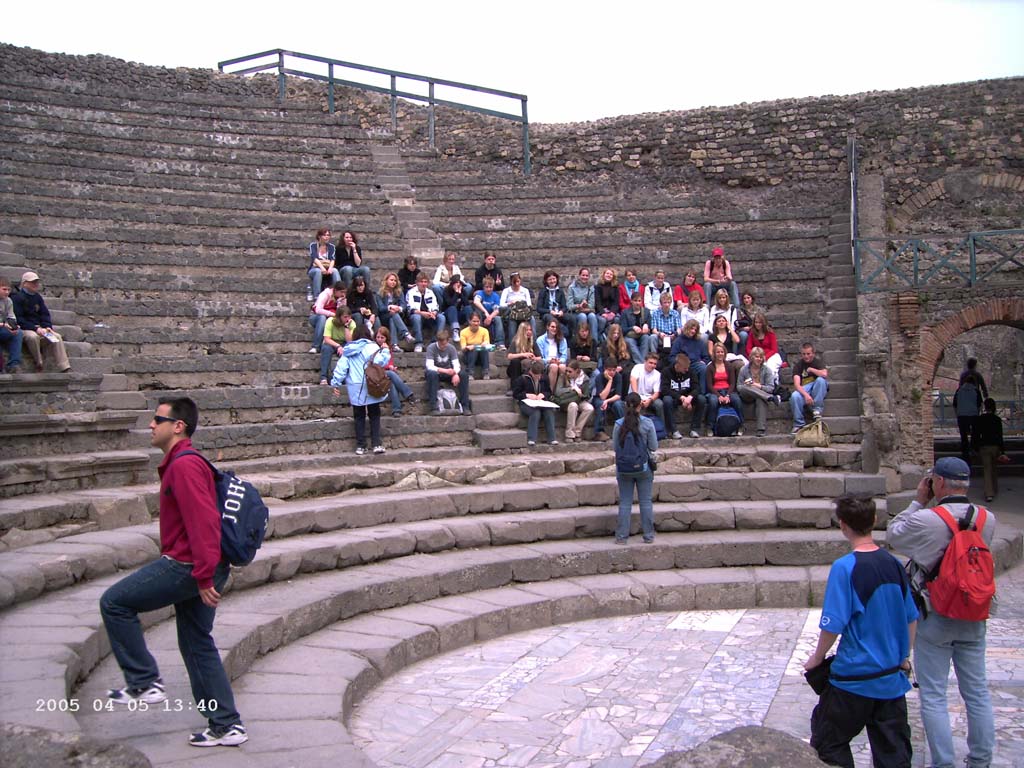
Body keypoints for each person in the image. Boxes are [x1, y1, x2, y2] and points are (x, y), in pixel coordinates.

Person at [99, 397, 247, 747]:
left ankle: (143, 681)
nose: (151, 425)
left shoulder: (184, 465)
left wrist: (204, 575)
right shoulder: (184, 463)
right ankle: (227, 724)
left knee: (115, 603)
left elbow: (204, 521)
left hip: (187, 566)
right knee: (197, 644)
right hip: (202, 565)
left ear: (177, 426)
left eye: (157, 419)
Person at [886, 457, 996, 768]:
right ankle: (980, 759)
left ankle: (944, 762)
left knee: (933, 694)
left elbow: (894, 534)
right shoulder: (989, 519)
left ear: (940, 484)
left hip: (936, 613)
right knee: (976, 690)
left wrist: (918, 501)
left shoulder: (927, 519)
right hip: (974, 612)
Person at [804, 494, 917, 768]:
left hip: (853, 678)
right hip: (890, 678)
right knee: (894, 754)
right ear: (874, 520)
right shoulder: (893, 564)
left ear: (842, 525)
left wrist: (817, 659)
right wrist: (903, 655)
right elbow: (911, 616)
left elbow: (834, 623)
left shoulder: (845, 568)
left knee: (828, 743)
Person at [331, 324, 387, 455]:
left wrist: (336, 383)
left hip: (355, 385)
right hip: (371, 383)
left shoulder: (348, 349)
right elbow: (380, 363)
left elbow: (341, 368)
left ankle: (361, 445)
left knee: (359, 415)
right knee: (374, 414)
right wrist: (385, 351)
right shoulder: (373, 347)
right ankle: (376, 444)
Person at [613, 392, 658, 544]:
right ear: (641, 405)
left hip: (624, 468)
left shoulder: (618, 424)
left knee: (625, 502)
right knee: (645, 501)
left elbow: (615, 447)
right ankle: (648, 536)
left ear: (625, 406)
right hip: (643, 467)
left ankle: (621, 537)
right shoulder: (647, 423)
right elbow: (653, 446)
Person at [12, 271, 71, 373]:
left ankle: (64, 366)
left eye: (36, 282)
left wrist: (47, 326)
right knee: (32, 337)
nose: (36, 284)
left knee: (56, 337)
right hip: (26, 328)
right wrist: (35, 328)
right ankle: (39, 362)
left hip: (39, 328)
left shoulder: (37, 297)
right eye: (32, 282)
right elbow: (19, 319)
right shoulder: (17, 298)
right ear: (25, 283)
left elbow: (44, 314)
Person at [424, 329, 472, 416]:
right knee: (431, 374)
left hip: (449, 372)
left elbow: (456, 364)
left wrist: (455, 374)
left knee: (464, 375)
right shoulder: (431, 348)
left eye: (445, 344)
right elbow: (429, 365)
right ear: (438, 341)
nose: (444, 346)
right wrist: (445, 370)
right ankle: (433, 407)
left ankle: (465, 406)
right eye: (442, 344)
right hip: (436, 372)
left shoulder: (451, 348)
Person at [660, 351, 705, 439]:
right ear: (678, 365)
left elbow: (697, 387)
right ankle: (673, 430)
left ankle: (695, 429)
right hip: (675, 398)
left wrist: (690, 397)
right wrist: (681, 398)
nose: (687, 370)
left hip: (688, 397)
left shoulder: (691, 371)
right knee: (666, 400)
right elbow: (665, 390)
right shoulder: (666, 372)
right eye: (684, 368)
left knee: (701, 399)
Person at [375, 327, 418, 418]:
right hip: (374, 373)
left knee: (391, 382)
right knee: (391, 374)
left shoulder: (387, 348)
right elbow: (376, 364)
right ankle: (408, 394)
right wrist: (388, 367)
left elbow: (389, 362)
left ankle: (396, 410)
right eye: (378, 337)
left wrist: (391, 367)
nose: (379, 340)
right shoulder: (373, 348)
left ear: (386, 338)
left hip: (384, 373)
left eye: (382, 338)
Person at [513, 360, 558, 447]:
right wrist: (527, 395)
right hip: (526, 403)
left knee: (549, 412)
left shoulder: (544, 378)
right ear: (531, 372)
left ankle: (552, 438)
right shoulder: (522, 379)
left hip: (541, 402)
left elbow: (549, 392)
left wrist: (543, 395)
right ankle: (531, 438)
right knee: (535, 413)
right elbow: (516, 394)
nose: (538, 378)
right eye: (535, 376)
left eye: (539, 376)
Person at [705, 342, 744, 437]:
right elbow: (709, 385)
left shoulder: (729, 366)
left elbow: (732, 383)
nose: (720, 354)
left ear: (725, 353)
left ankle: (741, 425)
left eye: (722, 352)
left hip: (728, 390)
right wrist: (719, 396)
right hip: (715, 391)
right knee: (713, 402)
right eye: (718, 352)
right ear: (714, 353)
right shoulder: (710, 367)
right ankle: (710, 427)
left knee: (737, 400)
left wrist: (727, 395)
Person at [790, 342, 828, 433]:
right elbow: (797, 384)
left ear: (813, 354)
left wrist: (812, 370)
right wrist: (806, 395)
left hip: (816, 388)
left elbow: (824, 374)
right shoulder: (798, 366)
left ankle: (817, 410)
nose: (806, 356)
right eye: (804, 354)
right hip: (804, 389)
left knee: (821, 380)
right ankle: (799, 424)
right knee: (795, 396)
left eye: (808, 354)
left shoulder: (817, 362)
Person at [738, 347, 776, 437]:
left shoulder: (767, 370)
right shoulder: (744, 369)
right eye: (756, 357)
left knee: (760, 399)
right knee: (744, 387)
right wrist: (747, 385)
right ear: (752, 357)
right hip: (747, 395)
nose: (759, 359)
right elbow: (739, 387)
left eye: (761, 357)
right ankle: (768, 397)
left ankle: (760, 429)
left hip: (759, 395)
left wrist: (757, 385)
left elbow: (771, 388)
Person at [405, 271, 445, 353]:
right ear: (417, 282)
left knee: (441, 317)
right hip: (416, 315)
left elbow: (435, 306)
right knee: (416, 317)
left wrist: (434, 312)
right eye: (421, 282)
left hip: (429, 316)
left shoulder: (430, 292)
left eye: (425, 282)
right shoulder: (411, 292)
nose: (423, 284)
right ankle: (419, 343)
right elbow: (410, 308)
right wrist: (422, 313)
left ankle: (435, 342)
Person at [976, 397, 1006, 502]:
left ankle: (989, 493)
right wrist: (1003, 451)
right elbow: (1000, 436)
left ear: (985, 407)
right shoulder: (997, 419)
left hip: (984, 446)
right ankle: (995, 488)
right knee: (994, 468)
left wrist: (975, 447)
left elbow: (976, 434)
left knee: (987, 469)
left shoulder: (980, 419)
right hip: (995, 446)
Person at [668, 319, 710, 394]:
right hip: (682, 364)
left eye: (695, 330)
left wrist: (703, 362)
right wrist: (680, 363)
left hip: (695, 364)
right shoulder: (679, 340)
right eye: (691, 328)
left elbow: (706, 357)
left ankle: (702, 393)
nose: (693, 331)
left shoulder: (700, 341)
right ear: (687, 328)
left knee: (704, 368)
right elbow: (672, 357)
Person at [377, 272, 416, 352]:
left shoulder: (399, 292)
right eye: (391, 280)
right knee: (392, 314)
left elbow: (404, 306)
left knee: (393, 318)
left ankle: (394, 345)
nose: (393, 282)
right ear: (386, 281)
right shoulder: (379, 293)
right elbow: (380, 308)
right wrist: (390, 307)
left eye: (395, 280)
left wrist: (399, 308)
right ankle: (405, 333)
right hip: (384, 317)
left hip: (395, 316)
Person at [318, 305, 355, 385]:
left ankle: (346, 377)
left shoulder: (351, 324)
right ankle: (323, 377)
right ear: (339, 317)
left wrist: (346, 327)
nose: (347, 319)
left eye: (349, 317)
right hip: (332, 342)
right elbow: (326, 338)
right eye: (345, 317)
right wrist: (338, 346)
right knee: (326, 349)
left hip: (345, 343)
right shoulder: (330, 321)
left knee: (350, 351)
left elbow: (350, 341)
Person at [630, 353, 666, 432]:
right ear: (645, 362)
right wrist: (638, 398)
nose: (652, 365)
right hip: (635, 395)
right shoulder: (637, 367)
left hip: (648, 397)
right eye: (650, 363)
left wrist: (650, 400)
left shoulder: (657, 374)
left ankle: (662, 430)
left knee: (659, 404)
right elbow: (633, 380)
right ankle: (633, 429)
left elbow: (657, 392)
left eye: (655, 364)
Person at [308, 282, 347, 355]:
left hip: (330, 319)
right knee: (322, 318)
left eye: (344, 292)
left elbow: (342, 312)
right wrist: (332, 314)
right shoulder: (325, 294)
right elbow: (318, 310)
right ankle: (316, 346)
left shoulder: (342, 298)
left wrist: (340, 302)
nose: (343, 294)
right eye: (341, 292)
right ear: (335, 290)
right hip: (317, 317)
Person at [560, 360, 594, 441]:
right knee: (573, 405)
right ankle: (569, 433)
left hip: (580, 400)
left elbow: (587, 396)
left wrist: (581, 394)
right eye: (567, 371)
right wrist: (571, 389)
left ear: (576, 371)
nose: (568, 373)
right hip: (567, 401)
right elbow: (558, 391)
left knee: (589, 408)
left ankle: (577, 431)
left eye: (570, 371)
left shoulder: (585, 379)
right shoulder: (563, 377)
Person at [745, 311, 783, 385]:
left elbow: (774, 349)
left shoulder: (770, 333)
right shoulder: (752, 333)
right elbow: (748, 348)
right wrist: (754, 356)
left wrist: (765, 357)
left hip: (771, 355)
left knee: (770, 368)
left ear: (763, 323)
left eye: (760, 322)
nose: (758, 324)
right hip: (757, 355)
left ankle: (774, 385)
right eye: (756, 322)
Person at [953, 375, 982, 463]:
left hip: (962, 415)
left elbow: (955, 404)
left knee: (963, 435)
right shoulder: (976, 390)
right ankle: (974, 449)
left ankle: (965, 452)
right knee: (975, 433)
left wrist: (957, 414)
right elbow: (979, 404)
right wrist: (978, 412)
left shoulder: (959, 390)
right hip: (973, 415)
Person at [499, 271, 534, 341]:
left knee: (532, 319)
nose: (517, 284)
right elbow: (501, 305)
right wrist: (510, 303)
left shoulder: (525, 290)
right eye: (514, 282)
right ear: (511, 282)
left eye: (518, 281)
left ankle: (533, 341)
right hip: (512, 312)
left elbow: (529, 304)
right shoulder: (506, 291)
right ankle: (512, 343)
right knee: (512, 320)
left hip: (524, 312)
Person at [472, 276, 506, 349]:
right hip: (482, 315)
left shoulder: (495, 296)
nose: (488, 289)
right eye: (486, 287)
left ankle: (500, 343)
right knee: (478, 315)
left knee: (498, 319)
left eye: (490, 287)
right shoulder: (480, 293)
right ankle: (479, 340)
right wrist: (486, 313)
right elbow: (476, 301)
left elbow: (497, 310)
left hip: (491, 316)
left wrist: (490, 317)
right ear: (483, 287)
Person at [306, 227, 340, 301]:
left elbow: (332, 259)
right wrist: (322, 268)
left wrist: (330, 268)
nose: (327, 237)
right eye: (325, 235)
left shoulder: (331, 247)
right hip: (315, 268)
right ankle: (317, 296)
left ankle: (339, 294)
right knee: (318, 272)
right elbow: (314, 258)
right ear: (319, 236)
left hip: (328, 267)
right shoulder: (313, 245)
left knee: (335, 271)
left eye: (328, 235)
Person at [619, 294, 653, 364]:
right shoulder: (625, 313)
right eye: (635, 301)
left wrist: (646, 325)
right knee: (629, 341)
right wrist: (632, 328)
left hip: (642, 335)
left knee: (646, 337)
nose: (637, 303)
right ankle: (641, 363)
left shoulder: (646, 312)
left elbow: (650, 326)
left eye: (639, 301)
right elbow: (623, 329)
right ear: (631, 301)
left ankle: (642, 361)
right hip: (630, 336)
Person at [536, 318, 568, 392]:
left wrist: (559, 361)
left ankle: (561, 392)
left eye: (556, 327)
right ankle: (551, 392)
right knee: (554, 367)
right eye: (552, 327)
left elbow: (564, 356)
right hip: (546, 363)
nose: (554, 329)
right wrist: (549, 361)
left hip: (558, 362)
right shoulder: (540, 340)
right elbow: (540, 358)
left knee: (562, 367)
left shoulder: (562, 340)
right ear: (547, 327)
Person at [566, 267, 599, 339]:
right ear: (579, 275)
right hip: (575, 312)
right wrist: (578, 306)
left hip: (588, 310)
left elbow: (592, 305)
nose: (585, 277)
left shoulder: (591, 288)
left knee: (592, 316)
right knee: (582, 316)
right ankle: (581, 340)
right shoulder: (572, 287)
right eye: (583, 275)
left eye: (587, 276)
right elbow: (569, 305)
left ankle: (594, 341)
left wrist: (586, 305)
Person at [0, 277, 24, 373]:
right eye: (4, 289)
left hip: (3, 327)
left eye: (8, 290)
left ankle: (14, 364)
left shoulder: (8, 301)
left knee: (18, 333)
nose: (7, 292)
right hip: (1, 326)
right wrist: (3, 325)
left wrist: (13, 326)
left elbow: (11, 315)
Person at [459, 311, 491, 380]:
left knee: (483, 349)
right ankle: (470, 373)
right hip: (468, 356)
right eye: (474, 321)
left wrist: (484, 344)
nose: (476, 323)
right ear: (469, 321)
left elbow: (487, 343)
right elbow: (463, 348)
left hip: (481, 355)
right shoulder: (463, 332)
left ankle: (486, 372)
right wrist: (468, 347)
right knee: (473, 349)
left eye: (478, 321)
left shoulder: (484, 331)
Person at [650, 292, 683, 357]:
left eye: (669, 302)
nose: (667, 305)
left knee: (680, 337)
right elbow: (654, 330)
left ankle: (676, 357)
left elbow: (679, 329)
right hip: (661, 336)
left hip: (672, 336)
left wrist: (675, 334)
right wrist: (660, 334)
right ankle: (653, 357)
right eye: (665, 302)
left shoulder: (675, 313)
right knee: (652, 337)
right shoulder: (655, 313)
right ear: (661, 303)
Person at [505, 321, 537, 387]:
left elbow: (540, 357)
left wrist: (534, 358)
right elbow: (509, 356)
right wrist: (523, 354)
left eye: (530, 330)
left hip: (527, 366)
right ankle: (514, 388)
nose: (529, 332)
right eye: (526, 330)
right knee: (515, 361)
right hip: (515, 369)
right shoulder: (516, 341)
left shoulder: (532, 341)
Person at [536, 270, 569, 336]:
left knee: (571, 318)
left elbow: (565, 307)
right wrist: (550, 311)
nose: (552, 281)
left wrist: (561, 311)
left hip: (558, 313)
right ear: (546, 281)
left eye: (554, 279)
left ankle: (572, 340)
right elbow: (539, 309)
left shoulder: (560, 291)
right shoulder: (543, 292)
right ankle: (564, 331)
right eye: (550, 279)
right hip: (547, 314)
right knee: (551, 318)